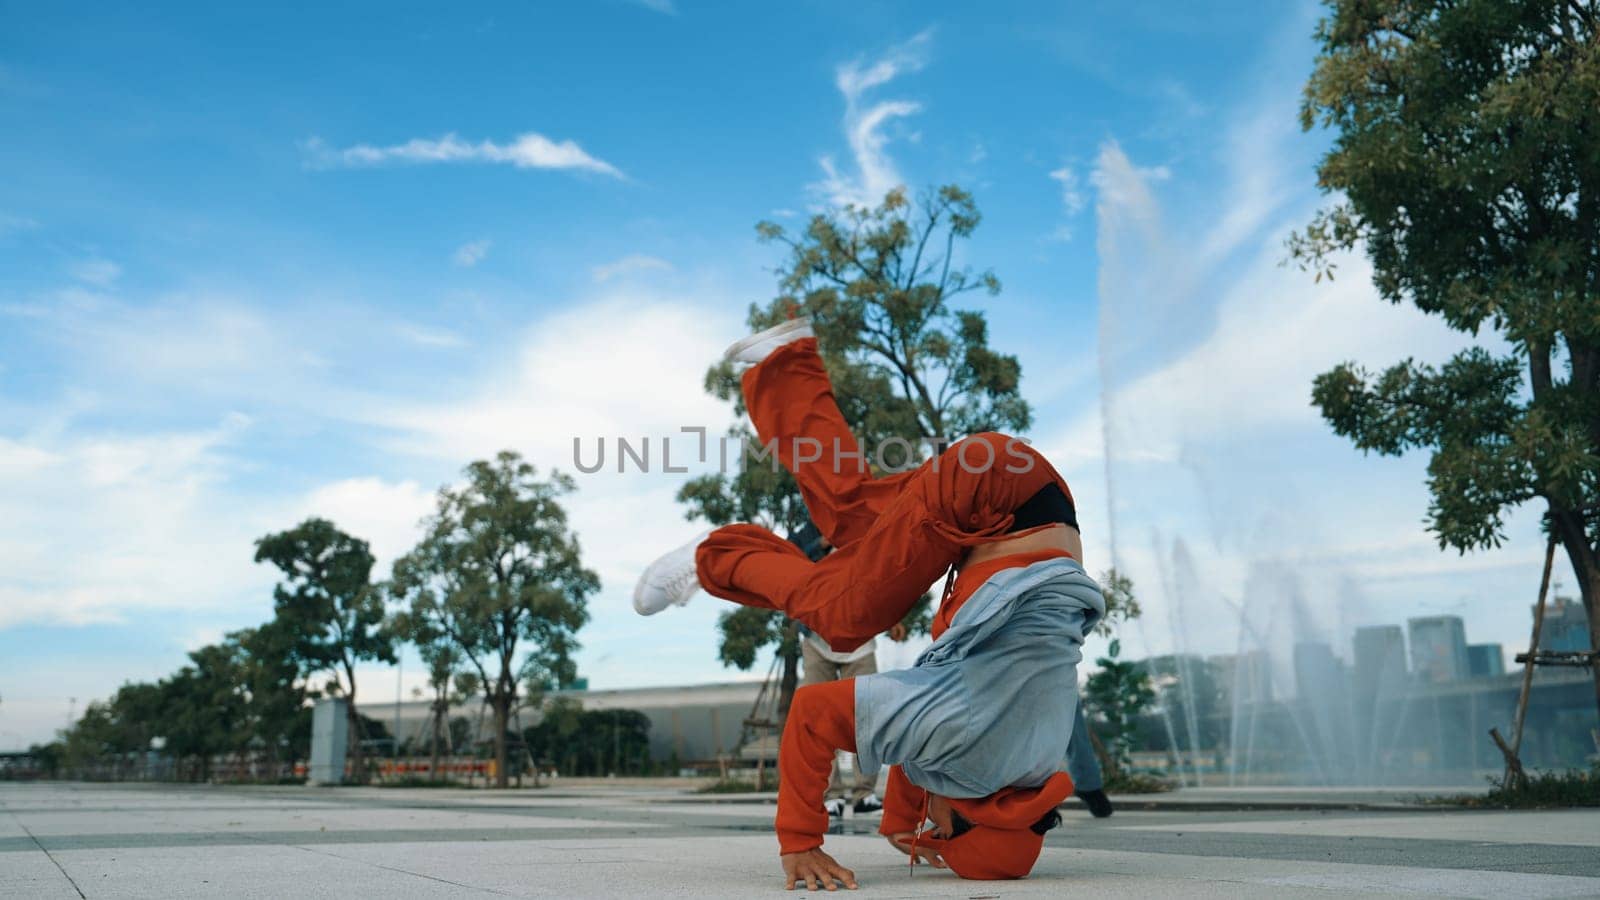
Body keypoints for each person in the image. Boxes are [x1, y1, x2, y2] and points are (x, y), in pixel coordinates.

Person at [634, 317, 1104, 888]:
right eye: (938, 829)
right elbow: (813, 716)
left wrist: (901, 818)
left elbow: (928, 736)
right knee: (842, 620)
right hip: (987, 499)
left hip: (1019, 486)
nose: (930, 823)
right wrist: (800, 843)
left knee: (853, 513)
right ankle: (716, 556)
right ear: (968, 816)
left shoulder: (1026, 766)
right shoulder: (973, 757)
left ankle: (784, 364)